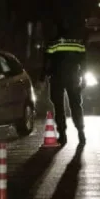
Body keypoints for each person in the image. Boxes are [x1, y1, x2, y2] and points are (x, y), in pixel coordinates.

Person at [41, 17, 87, 145]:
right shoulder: (77, 43)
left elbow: (47, 61)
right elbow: (83, 62)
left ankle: (63, 135)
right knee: (76, 106)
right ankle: (81, 133)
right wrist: (84, 78)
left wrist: (42, 76)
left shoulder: (53, 43)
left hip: (57, 78)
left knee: (59, 107)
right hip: (73, 78)